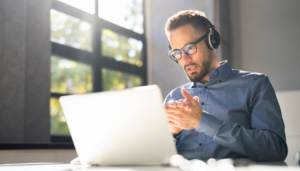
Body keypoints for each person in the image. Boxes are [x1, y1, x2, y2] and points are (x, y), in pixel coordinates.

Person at [164, 10, 287, 161]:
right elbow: (156, 158)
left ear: (211, 41)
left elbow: (276, 149)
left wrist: (202, 121)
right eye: (177, 53)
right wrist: (172, 134)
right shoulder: (173, 97)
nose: (184, 59)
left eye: (189, 48)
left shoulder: (255, 85)